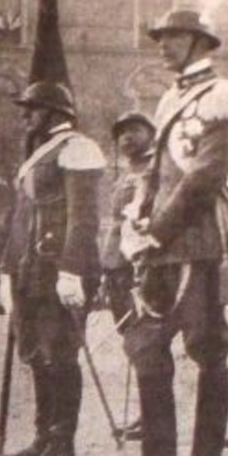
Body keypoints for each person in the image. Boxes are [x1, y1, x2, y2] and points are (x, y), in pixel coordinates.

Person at [98, 9, 228, 456]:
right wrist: (138, 218)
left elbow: (205, 178)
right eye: (160, 38)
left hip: (198, 243)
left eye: (172, 37)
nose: (162, 45)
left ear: (199, 42)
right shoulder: (169, 100)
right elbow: (155, 173)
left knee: (207, 351)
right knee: (147, 350)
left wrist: (158, 232)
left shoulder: (225, 96)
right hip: (159, 245)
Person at [0, 81, 105, 456]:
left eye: (34, 108)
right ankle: (43, 437)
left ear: (57, 113)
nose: (25, 116)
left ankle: (63, 442)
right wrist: (6, 271)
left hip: (59, 271)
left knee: (59, 354)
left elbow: (84, 218)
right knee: (36, 354)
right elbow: (21, 222)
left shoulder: (77, 149)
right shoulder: (38, 155)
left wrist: (72, 269)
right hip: (29, 271)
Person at [100, 111, 155, 323]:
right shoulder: (124, 173)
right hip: (117, 262)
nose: (127, 137)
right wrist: (107, 262)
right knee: (124, 323)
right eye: (121, 133)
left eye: (135, 130)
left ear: (151, 135)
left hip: (143, 259)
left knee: (146, 328)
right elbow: (115, 220)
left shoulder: (157, 168)